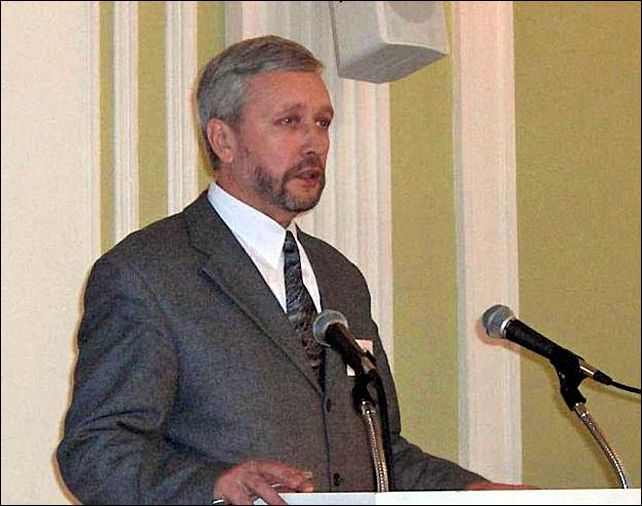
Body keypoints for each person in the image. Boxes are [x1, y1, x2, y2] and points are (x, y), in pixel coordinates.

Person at [57, 35, 531, 505]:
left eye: (322, 123)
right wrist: (213, 486)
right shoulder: (148, 273)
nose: (314, 143)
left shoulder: (339, 276)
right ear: (223, 139)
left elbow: (379, 455)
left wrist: (476, 492)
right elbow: (96, 451)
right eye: (289, 122)